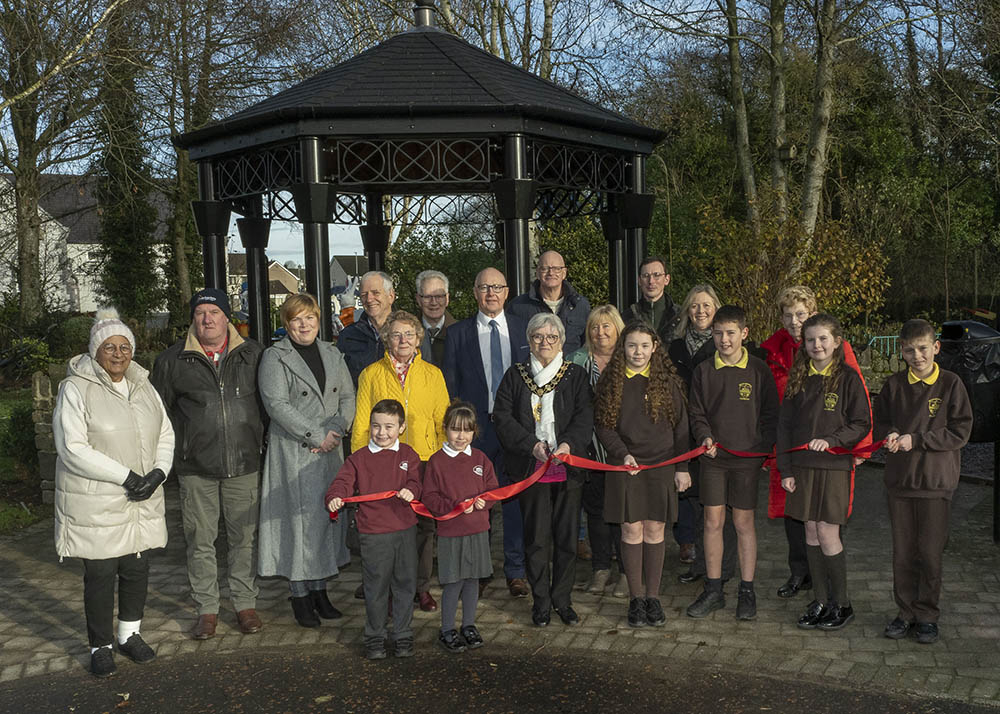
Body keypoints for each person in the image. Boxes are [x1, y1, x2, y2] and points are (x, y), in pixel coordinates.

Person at [54, 309, 173, 677]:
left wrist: (158, 473)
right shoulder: (75, 389)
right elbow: (72, 447)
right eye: (110, 347)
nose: (119, 353)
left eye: (125, 346)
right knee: (102, 573)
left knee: (136, 568)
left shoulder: (143, 386)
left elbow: (165, 433)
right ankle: (100, 645)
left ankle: (129, 635)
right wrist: (126, 477)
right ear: (94, 351)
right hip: (99, 501)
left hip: (141, 496)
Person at [151, 288, 266, 640]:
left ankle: (245, 604)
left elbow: (268, 404)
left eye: (214, 312)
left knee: (243, 539)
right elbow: (158, 415)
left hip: (244, 465)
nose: (207, 319)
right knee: (200, 540)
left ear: (227, 316)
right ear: (193, 318)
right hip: (195, 469)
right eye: (200, 312)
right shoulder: (172, 361)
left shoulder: (254, 355)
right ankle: (207, 609)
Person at [761, 286, 871, 599]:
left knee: (825, 526)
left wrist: (857, 446)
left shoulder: (839, 359)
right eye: (788, 314)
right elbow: (779, 412)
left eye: (801, 314)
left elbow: (859, 408)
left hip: (831, 454)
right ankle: (808, 583)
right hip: (794, 453)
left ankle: (835, 598)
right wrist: (780, 459)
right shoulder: (777, 353)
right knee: (798, 520)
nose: (795, 321)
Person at [257, 293, 356, 627]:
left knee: (325, 520)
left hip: (330, 450)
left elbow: (347, 396)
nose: (304, 325)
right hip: (295, 451)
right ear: (287, 324)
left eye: (310, 318)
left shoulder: (332, 352)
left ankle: (320, 590)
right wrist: (317, 436)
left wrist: (337, 430)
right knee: (298, 525)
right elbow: (277, 405)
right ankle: (300, 595)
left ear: (318, 320)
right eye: (296, 319)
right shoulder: (275, 356)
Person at [874, 319, 972, 644]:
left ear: (936, 348)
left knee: (929, 552)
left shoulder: (951, 384)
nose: (917, 356)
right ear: (901, 351)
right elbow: (881, 421)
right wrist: (888, 434)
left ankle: (927, 615)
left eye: (922, 349)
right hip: (900, 483)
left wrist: (916, 440)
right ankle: (905, 613)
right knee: (903, 553)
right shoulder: (893, 385)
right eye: (909, 350)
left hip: (935, 483)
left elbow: (960, 431)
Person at [494, 313, 593, 627]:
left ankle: (562, 600)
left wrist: (567, 444)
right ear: (529, 340)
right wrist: (530, 445)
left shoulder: (575, 375)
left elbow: (584, 417)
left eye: (552, 337)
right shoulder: (515, 375)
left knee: (566, 537)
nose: (545, 342)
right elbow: (503, 417)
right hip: (531, 467)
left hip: (567, 467)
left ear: (562, 341)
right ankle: (541, 602)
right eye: (538, 336)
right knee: (536, 538)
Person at [594, 321, 692, 628]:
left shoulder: (668, 384)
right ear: (623, 348)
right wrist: (623, 454)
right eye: (632, 345)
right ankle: (635, 599)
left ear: (655, 348)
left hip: (661, 467)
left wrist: (682, 467)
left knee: (655, 531)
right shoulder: (612, 382)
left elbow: (681, 428)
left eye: (645, 346)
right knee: (631, 530)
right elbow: (603, 427)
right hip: (627, 467)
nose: (638, 352)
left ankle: (653, 597)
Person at [352, 309, 449, 612]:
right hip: (384, 463)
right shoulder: (371, 374)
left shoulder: (433, 375)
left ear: (418, 338)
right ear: (387, 338)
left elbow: (442, 421)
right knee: (389, 529)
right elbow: (361, 424)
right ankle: (390, 591)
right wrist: (359, 468)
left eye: (409, 333)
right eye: (396, 334)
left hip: (423, 460)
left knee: (423, 529)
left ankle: (420, 588)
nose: (403, 339)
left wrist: (443, 464)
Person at [685, 305, 779, 621]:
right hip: (713, 459)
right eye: (718, 333)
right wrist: (704, 437)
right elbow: (696, 413)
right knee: (712, 521)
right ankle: (714, 590)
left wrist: (762, 451)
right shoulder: (703, 371)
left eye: (730, 333)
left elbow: (770, 414)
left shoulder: (758, 370)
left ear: (744, 333)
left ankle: (747, 591)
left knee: (743, 523)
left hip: (747, 462)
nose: (724, 339)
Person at [443, 267, 531, 598]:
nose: (490, 293)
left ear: (507, 292)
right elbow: (451, 386)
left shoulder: (524, 330)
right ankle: (479, 570)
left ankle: (515, 570)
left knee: (513, 501)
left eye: (497, 287)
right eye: (484, 287)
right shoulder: (458, 334)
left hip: (514, 429)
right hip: (475, 432)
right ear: (475, 292)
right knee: (477, 504)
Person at [326, 399, 423, 660]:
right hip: (373, 533)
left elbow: (417, 480)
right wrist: (335, 496)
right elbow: (342, 483)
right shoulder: (358, 458)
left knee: (405, 585)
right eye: (376, 426)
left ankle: (402, 635)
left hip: (404, 530)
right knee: (376, 588)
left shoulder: (408, 455)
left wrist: (412, 489)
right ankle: (374, 637)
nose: (382, 433)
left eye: (389, 427)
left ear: (401, 428)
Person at [421, 401, 499, 653]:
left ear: (474, 431)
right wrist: (454, 506)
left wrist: (483, 503)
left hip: (477, 530)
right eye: (455, 429)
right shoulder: (436, 461)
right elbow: (430, 497)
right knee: (453, 582)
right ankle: (446, 629)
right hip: (451, 533)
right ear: (445, 429)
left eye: (466, 430)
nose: (460, 436)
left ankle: (468, 625)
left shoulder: (480, 459)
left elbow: (494, 491)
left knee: (472, 580)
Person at [569, 305, 625, 596]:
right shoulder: (576, 360)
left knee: (624, 511)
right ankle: (601, 570)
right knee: (596, 512)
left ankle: (627, 572)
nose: (600, 333)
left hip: (623, 449)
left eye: (606, 327)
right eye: (594, 327)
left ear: (617, 329)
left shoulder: (631, 357)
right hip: (589, 450)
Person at [667, 284, 722, 568]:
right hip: (680, 423)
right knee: (683, 487)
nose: (700, 311)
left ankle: (706, 544)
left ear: (716, 309)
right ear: (688, 311)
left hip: (711, 426)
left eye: (706, 306)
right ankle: (685, 541)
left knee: (707, 488)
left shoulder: (723, 345)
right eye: (695, 306)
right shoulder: (675, 347)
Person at [508, 250, 591, 354]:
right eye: (545, 268)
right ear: (537, 273)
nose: (551, 273)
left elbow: (588, 344)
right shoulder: (518, 307)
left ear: (564, 273)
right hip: (532, 369)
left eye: (556, 269)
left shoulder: (580, 305)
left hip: (570, 368)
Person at [338, 270, 396, 385]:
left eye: (375, 293)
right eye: (364, 294)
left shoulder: (408, 333)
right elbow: (341, 383)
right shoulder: (348, 336)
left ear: (391, 296)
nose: (369, 299)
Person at [623, 256, 679, 344]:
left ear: (667, 279)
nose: (651, 281)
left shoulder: (679, 316)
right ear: (639, 281)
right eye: (646, 276)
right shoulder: (627, 317)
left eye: (656, 275)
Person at [415, 269, 456, 367]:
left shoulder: (460, 333)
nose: (433, 302)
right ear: (418, 299)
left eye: (439, 296)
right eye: (427, 297)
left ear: (447, 299)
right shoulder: (407, 334)